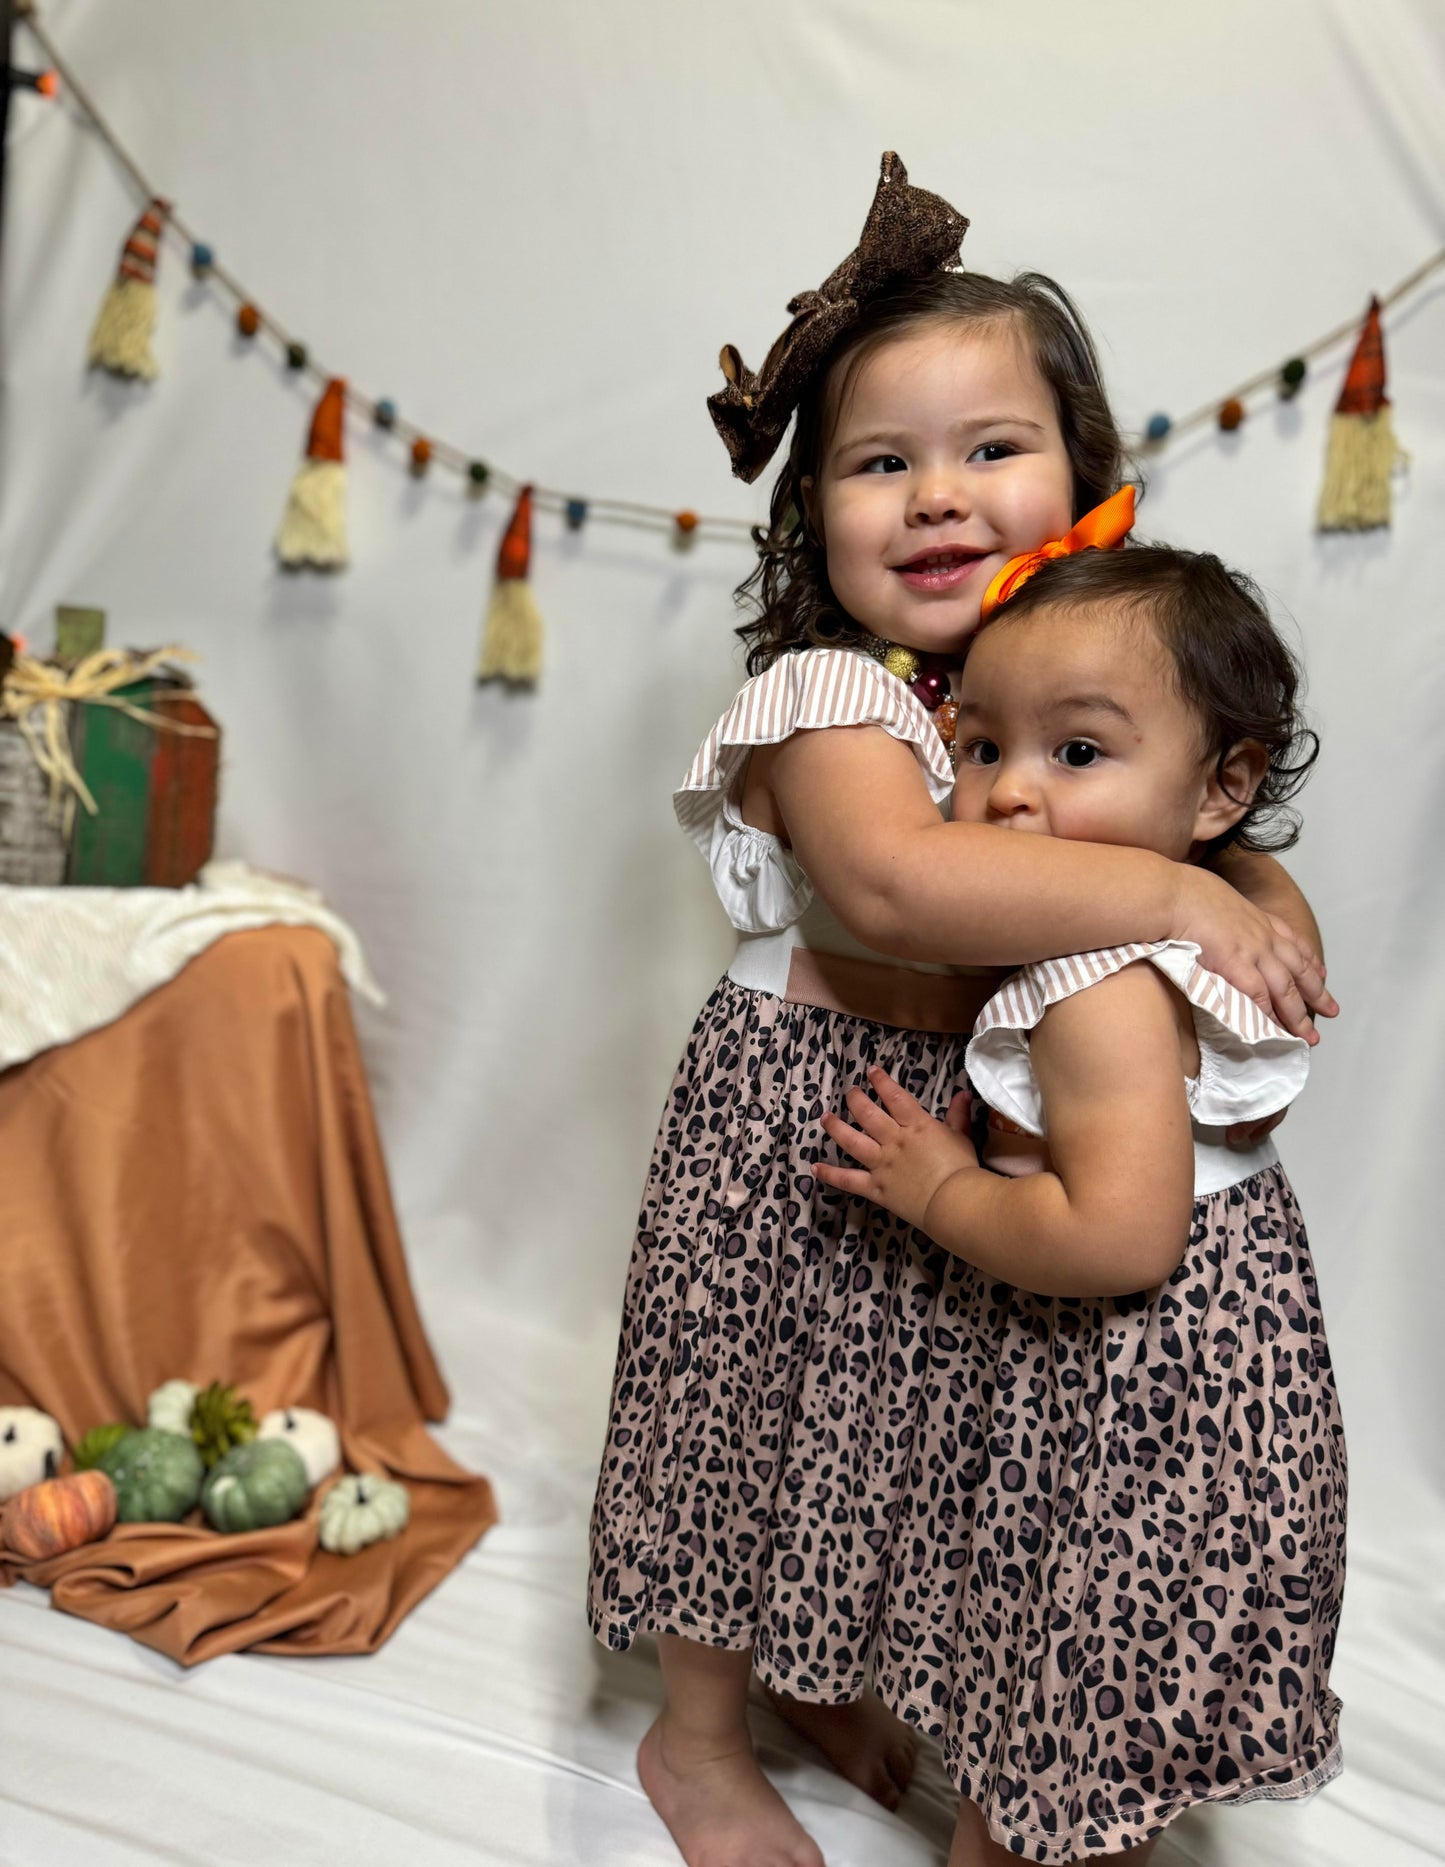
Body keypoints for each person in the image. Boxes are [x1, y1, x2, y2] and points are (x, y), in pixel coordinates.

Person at [588, 152, 1336, 1867]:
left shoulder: (1056, 685)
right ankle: (698, 1737)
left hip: (985, 1145)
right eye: (878, 464)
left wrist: (1251, 893)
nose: (936, 498)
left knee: (910, 1438)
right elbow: (900, 891)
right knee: (748, 1417)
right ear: (811, 519)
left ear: (1085, 484)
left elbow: (1202, 825)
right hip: (802, 1118)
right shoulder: (828, 690)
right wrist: (1171, 897)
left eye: (990, 450)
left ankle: (835, 1668)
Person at [819, 541, 1346, 1864]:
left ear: (1220, 785)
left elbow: (1117, 1238)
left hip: (1131, 1412)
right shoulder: (1224, 917)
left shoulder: (1093, 988)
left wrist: (939, 1190)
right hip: (1215, 1408)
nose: (1005, 799)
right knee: (1113, 1705)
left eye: (1077, 755)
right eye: (982, 748)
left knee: (1053, 1743)